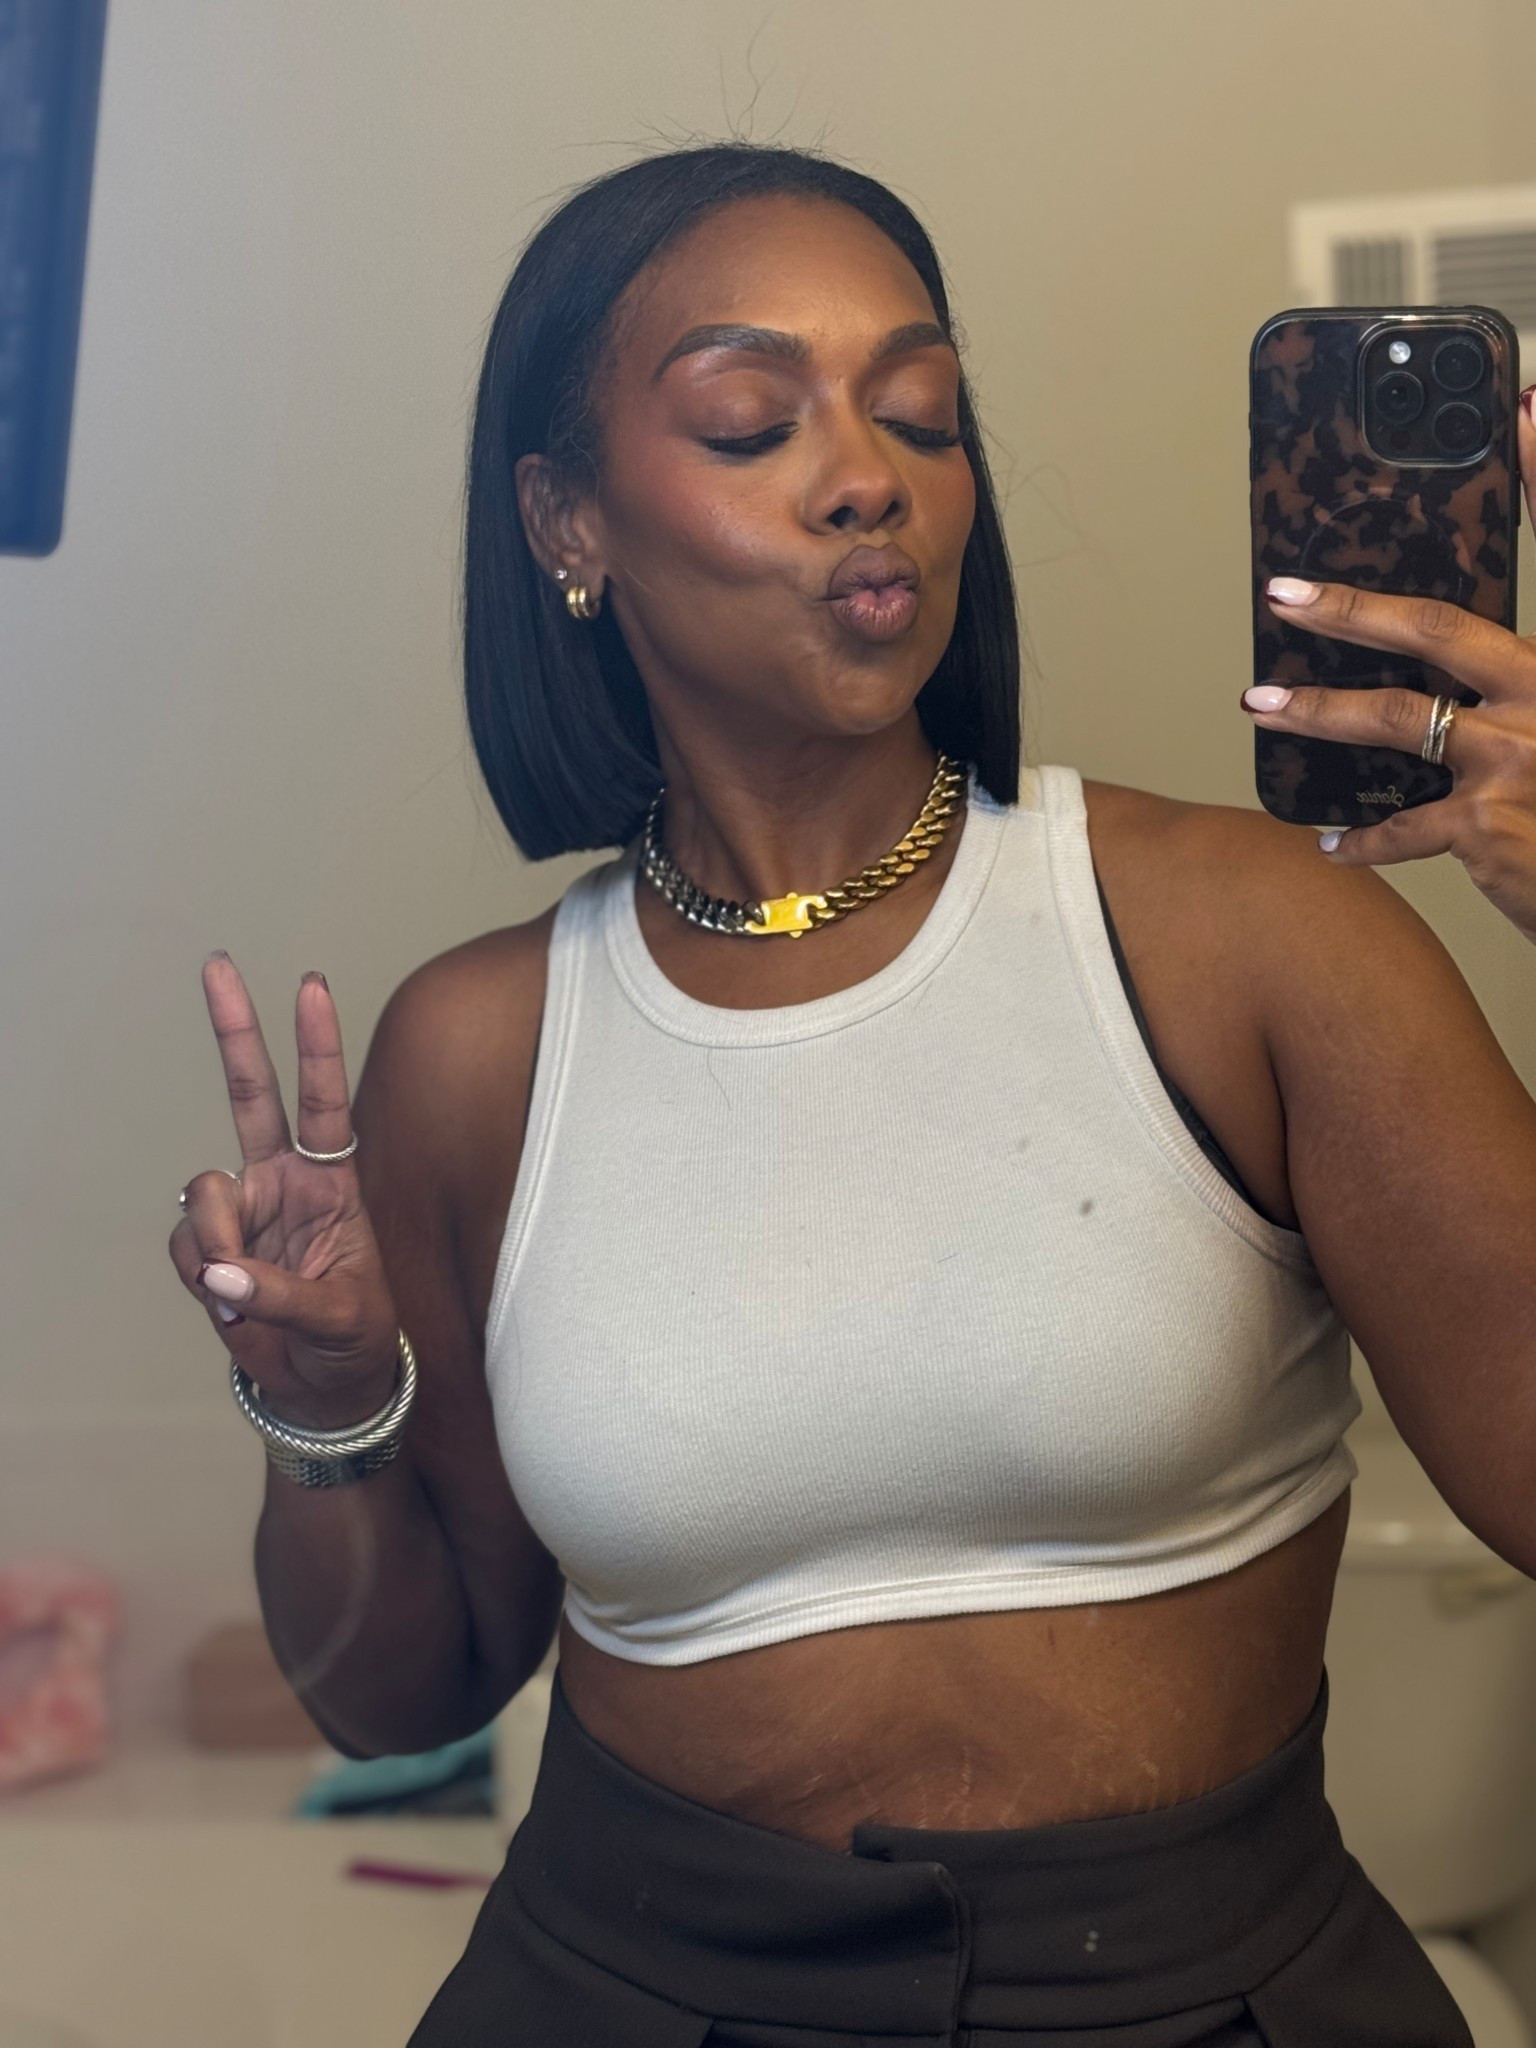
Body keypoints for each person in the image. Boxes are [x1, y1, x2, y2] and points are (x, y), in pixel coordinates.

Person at [167, 143, 1536, 2045]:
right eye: (752, 420)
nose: (869, 475)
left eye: (922, 411)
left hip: (1206, 1994)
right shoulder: (478, 1051)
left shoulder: (1251, 942)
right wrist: (323, 1415)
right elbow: (392, 1698)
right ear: (568, 521)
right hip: (625, 1992)